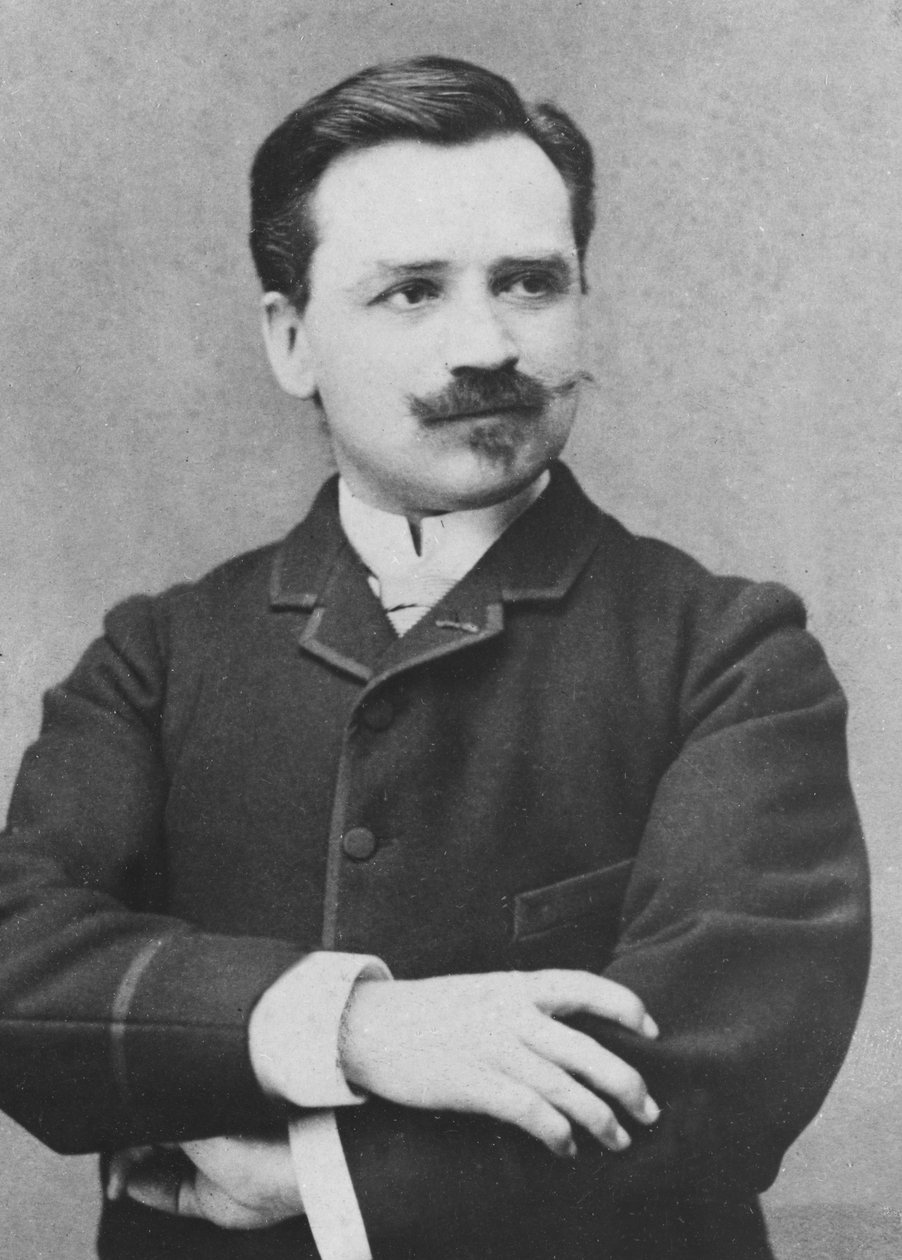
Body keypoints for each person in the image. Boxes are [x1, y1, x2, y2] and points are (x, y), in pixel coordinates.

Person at [0, 56, 869, 1260]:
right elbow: (18, 966)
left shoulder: (724, 651)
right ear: (291, 341)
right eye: (411, 292)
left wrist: (322, 1177)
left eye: (528, 282)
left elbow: (729, 1064)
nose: (486, 344)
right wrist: (357, 1030)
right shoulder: (156, 656)